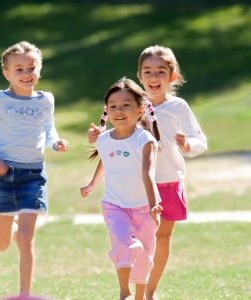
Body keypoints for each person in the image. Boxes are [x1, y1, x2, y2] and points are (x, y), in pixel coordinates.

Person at [87, 45, 207, 300]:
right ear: (140, 76)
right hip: (136, 188)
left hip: (169, 182)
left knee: (161, 239)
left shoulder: (178, 107)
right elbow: (116, 137)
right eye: (148, 71)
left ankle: (149, 291)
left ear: (172, 76)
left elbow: (200, 141)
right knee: (132, 241)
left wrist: (188, 145)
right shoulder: (132, 104)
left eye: (160, 72)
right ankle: (133, 287)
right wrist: (99, 136)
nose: (154, 78)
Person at [0, 41, 69, 297]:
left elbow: (48, 128)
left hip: (34, 175)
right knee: (2, 244)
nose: (26, 74)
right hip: (3, 176)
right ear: (7, 73)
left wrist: (55, 142)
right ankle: (12, 224)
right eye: (19, 69)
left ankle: (24, 294)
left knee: (27, 238)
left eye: (31, 67)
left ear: (39, 69)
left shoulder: (46, 100)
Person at [80, 77, 162, 300]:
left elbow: (148, 174)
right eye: (113, 106)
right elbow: (105, 162)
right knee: (123, 244)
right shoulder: (105, 140)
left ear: (140, 110)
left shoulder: (145, 140)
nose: (119, 110)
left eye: (126, 105)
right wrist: (92, 185)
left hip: (144, 207)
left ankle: (139, 295)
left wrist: (154, 203)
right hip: (114, 205)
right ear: (107, 110)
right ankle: (124, 292)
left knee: (145, 254)